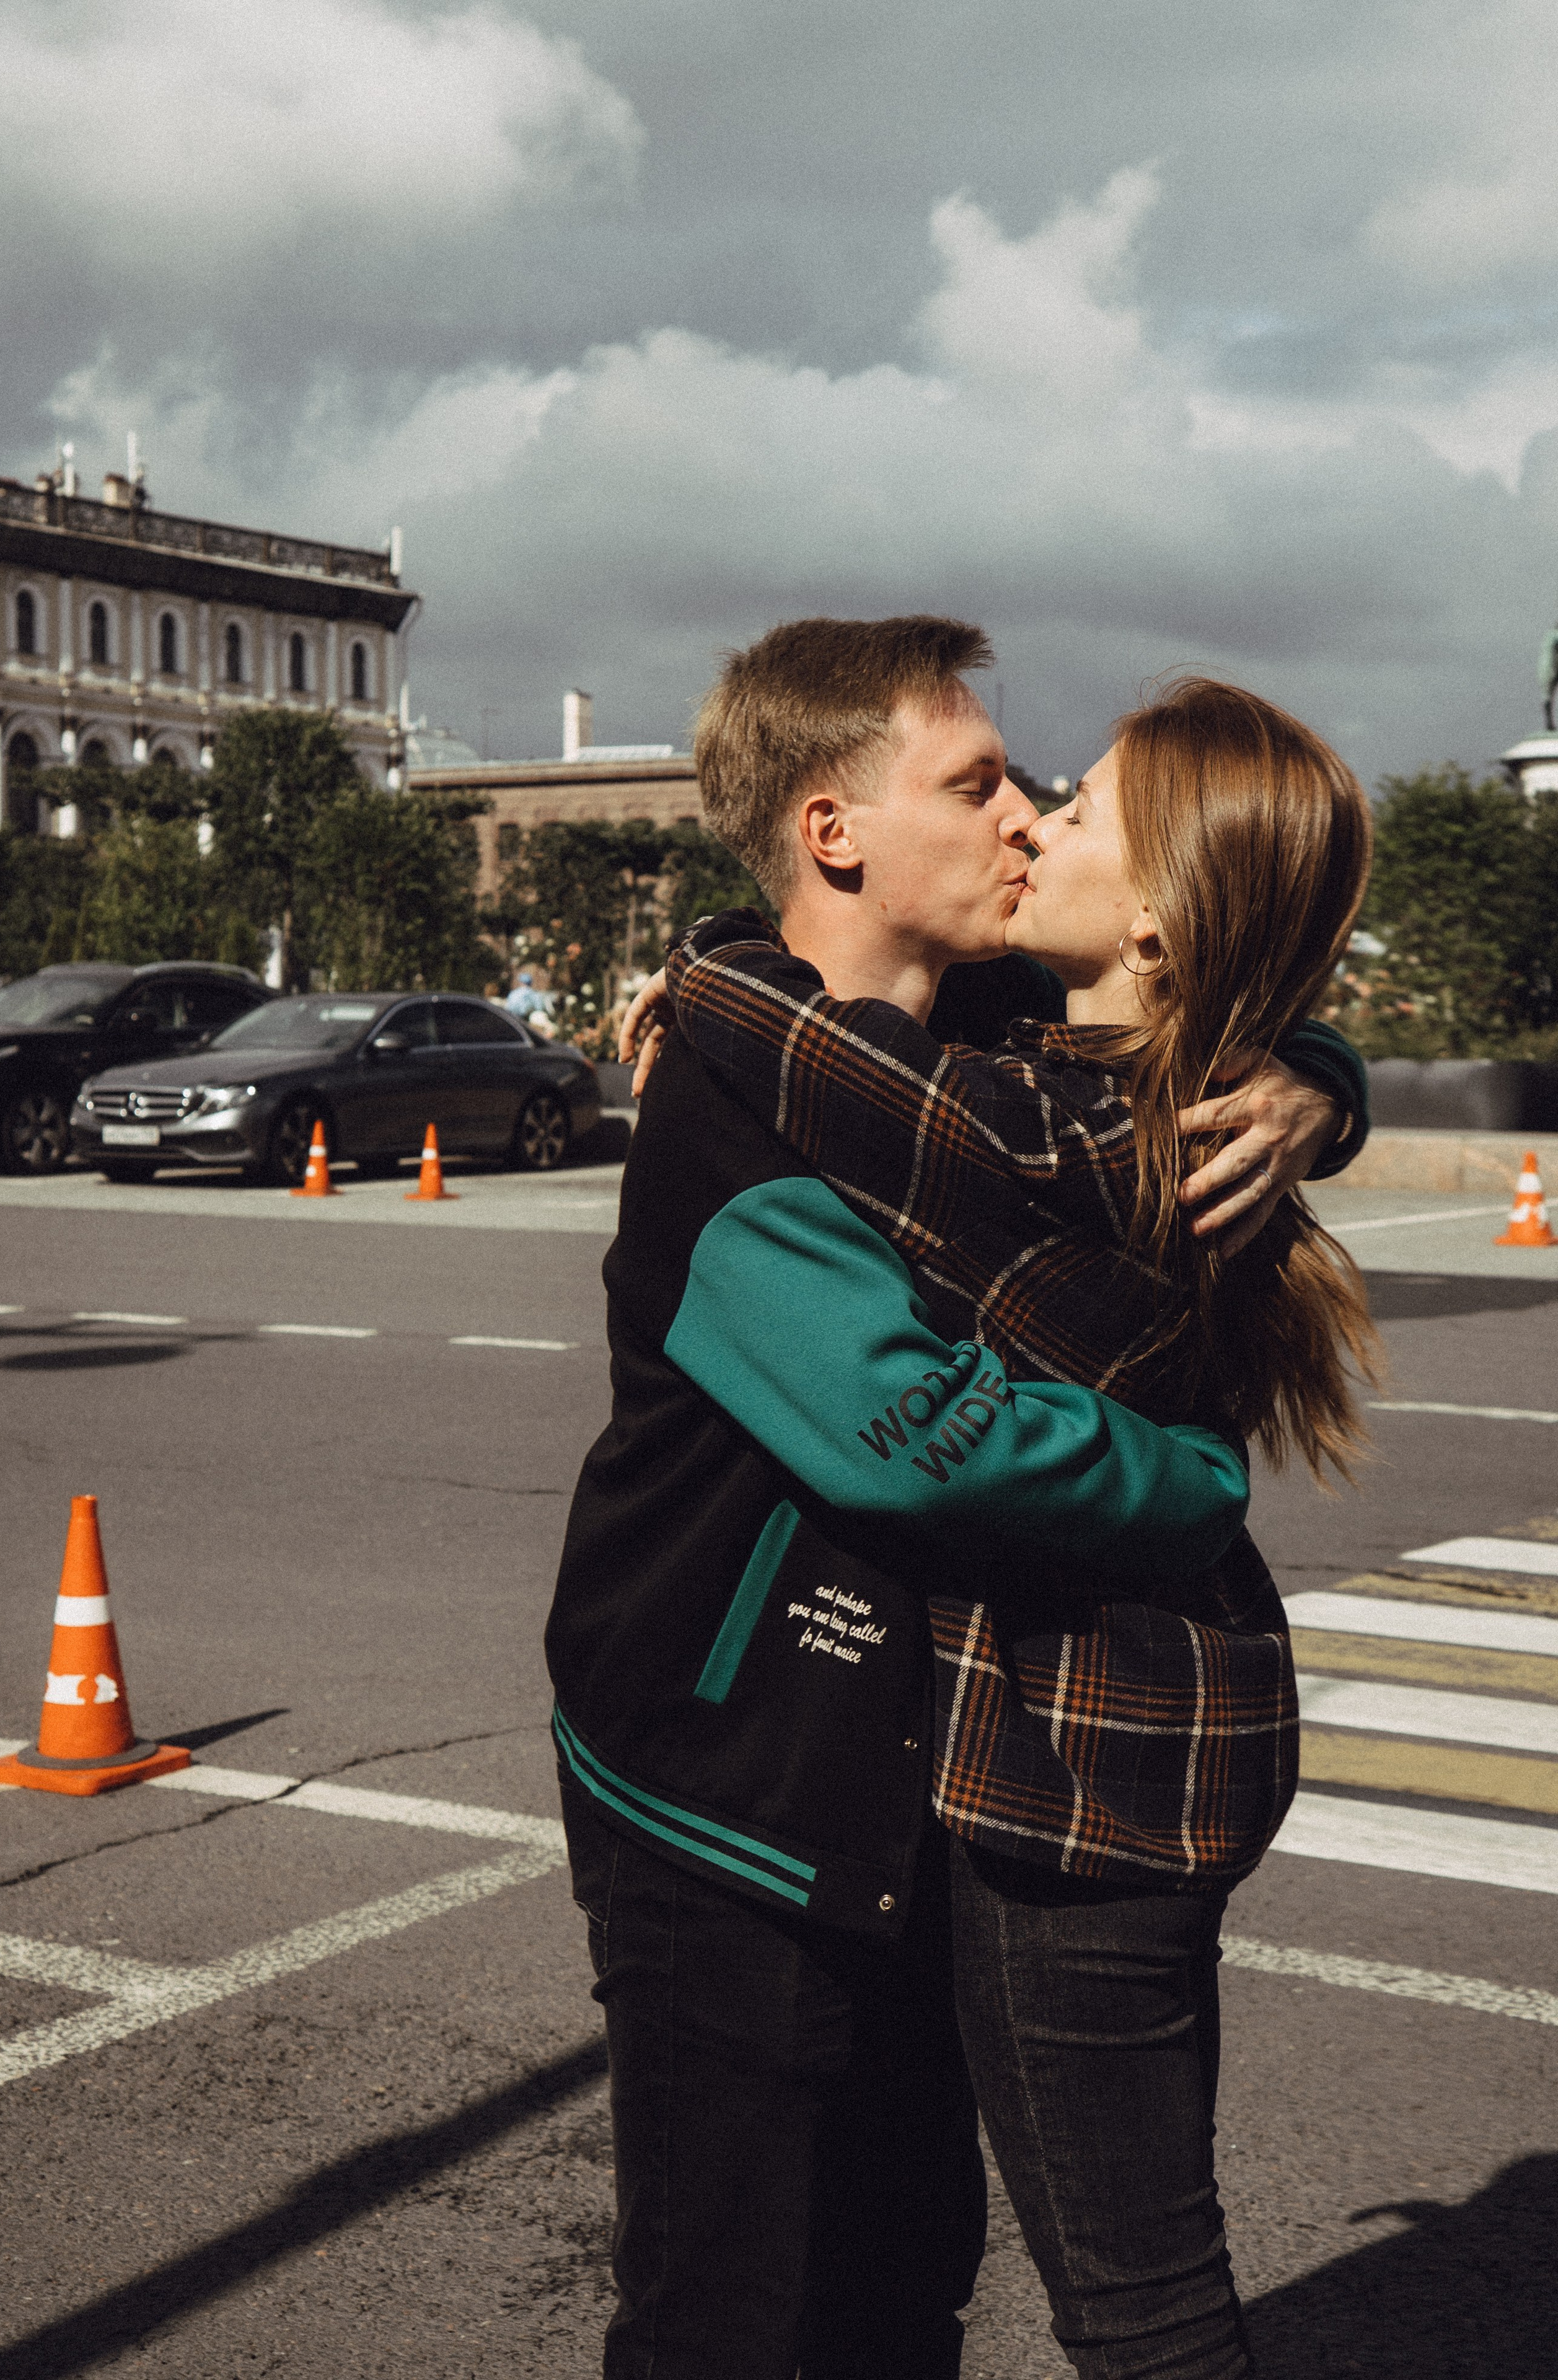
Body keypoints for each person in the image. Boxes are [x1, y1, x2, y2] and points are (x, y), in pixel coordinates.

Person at [547, 618, 1365, 2379]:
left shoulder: (985, 1042)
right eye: (978, 783)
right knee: (732, 2316)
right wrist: (1188, 1485)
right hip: (732, 1791)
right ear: (836, 832)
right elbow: (914, 1432)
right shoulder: (734, 1105)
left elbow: (1196, 992)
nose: (1023, 815)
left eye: (1035, 788)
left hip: (924, 1794)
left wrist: (1315, 1084)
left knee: (904, 2283)